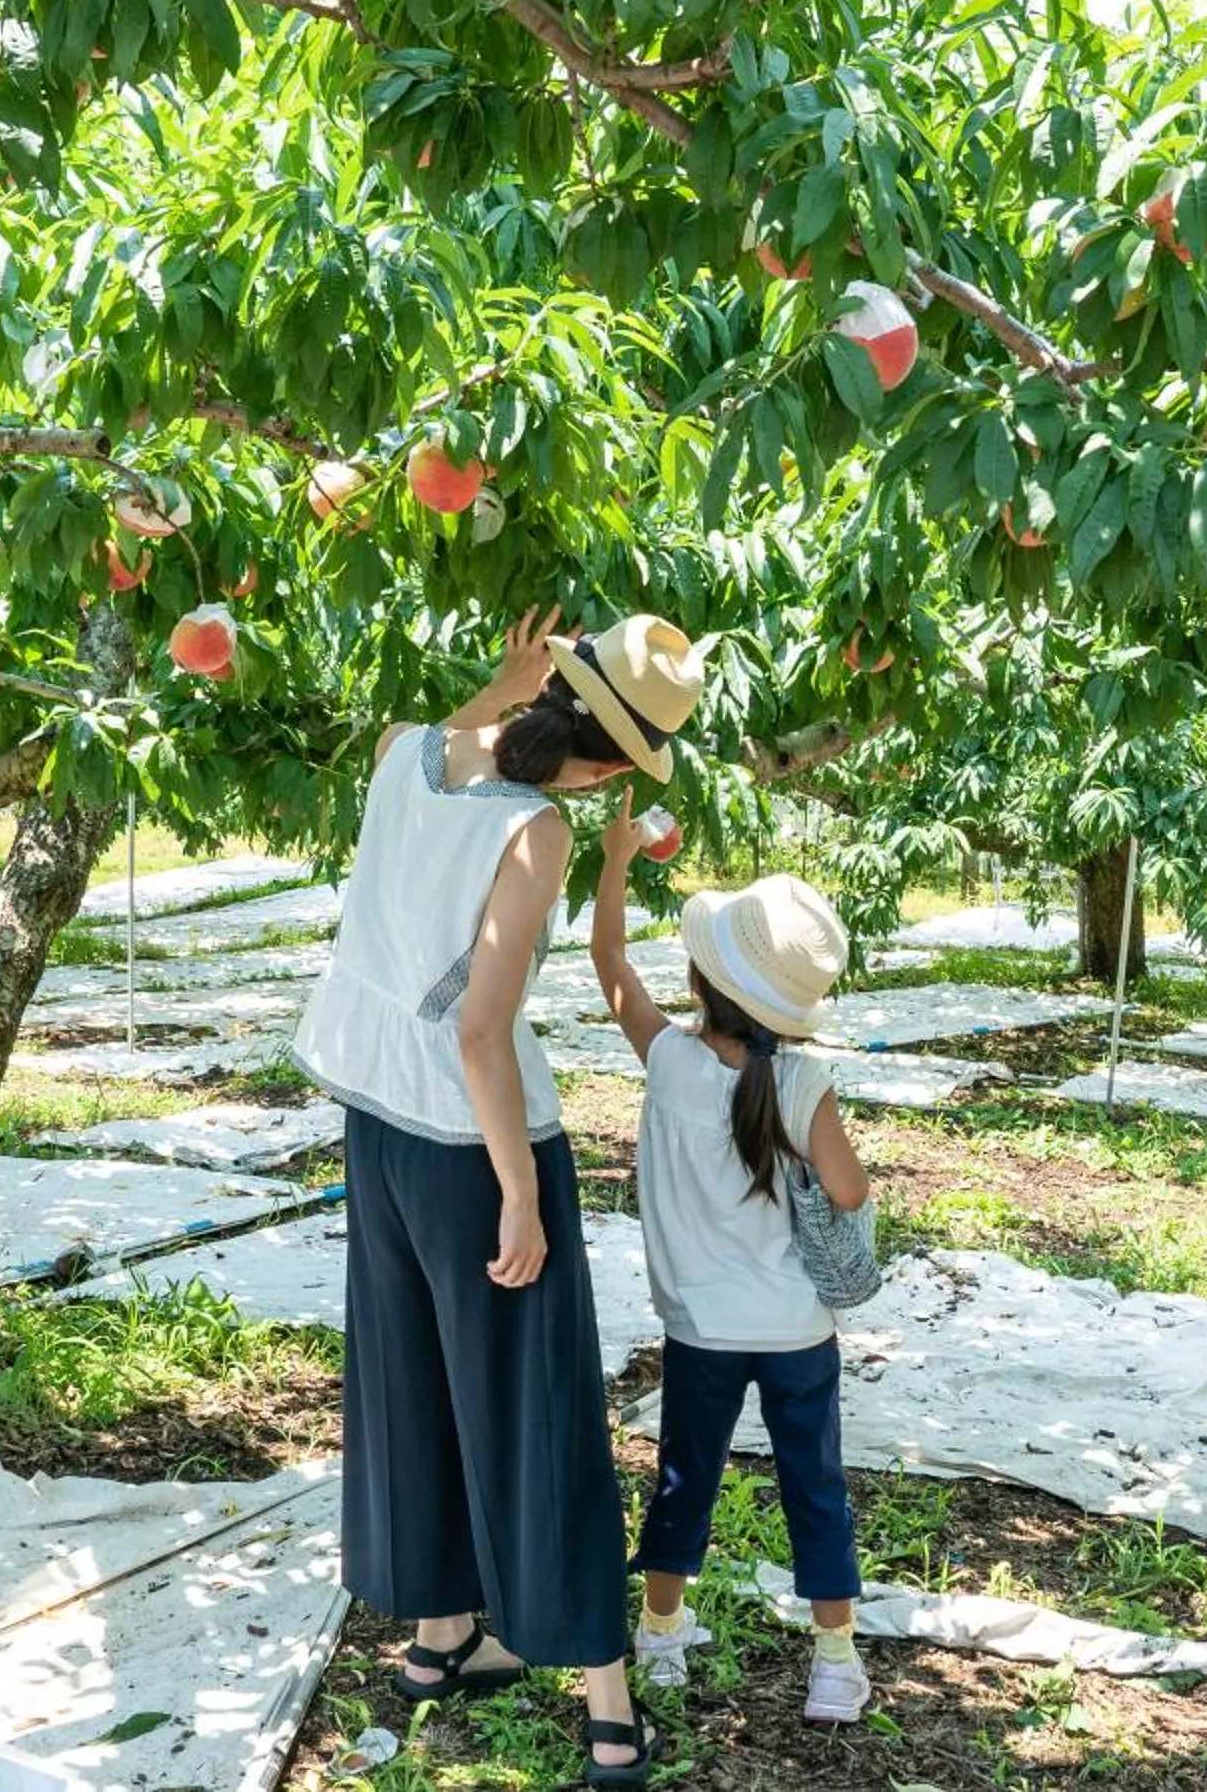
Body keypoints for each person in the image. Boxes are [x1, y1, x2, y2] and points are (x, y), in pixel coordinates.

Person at [291, 608, 706, 1788]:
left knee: (408, 1374)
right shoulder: (538, 834)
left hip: (374, 1120)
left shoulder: (406, 747)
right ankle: (604, 1697)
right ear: (617, 765)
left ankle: (439, 1639)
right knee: (536, 1406)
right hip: (474, 1143)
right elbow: (481, 1030)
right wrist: (520, 1195)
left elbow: (453, 738)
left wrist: (498, 685)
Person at [586, 810, 875, 1726]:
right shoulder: (798, 1085)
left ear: (703, 979)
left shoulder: (667, 1059)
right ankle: (834, 1663)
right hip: (797, 1330)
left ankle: (662, 1634)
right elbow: (851, 1189)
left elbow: (610, 965)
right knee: (814, 1488)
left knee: (686, 1478)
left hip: (701, 1330)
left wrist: (615, 864)